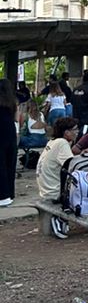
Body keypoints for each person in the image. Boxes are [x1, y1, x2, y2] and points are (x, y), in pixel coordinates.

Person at [0, 78, 19, 207]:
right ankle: (10, 194)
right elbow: (16, 119)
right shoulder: (13, 102)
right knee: (10, 163)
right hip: (10, 132)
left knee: (0, 164)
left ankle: (2, 195)